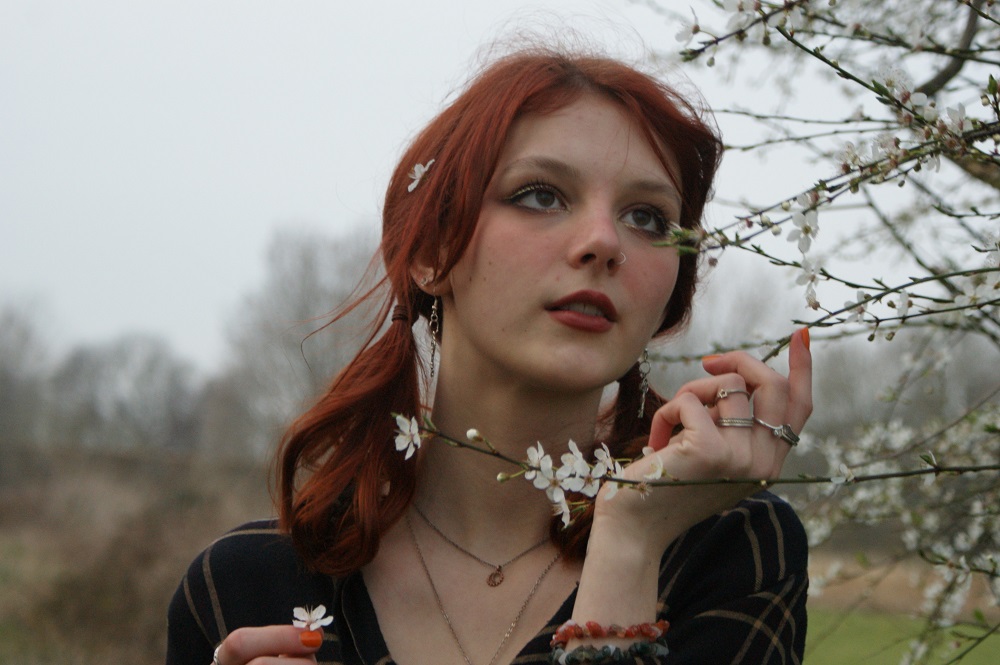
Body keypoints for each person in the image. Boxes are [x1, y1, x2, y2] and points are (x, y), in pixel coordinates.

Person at [167, 45, 812, 665]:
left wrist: (631, 542)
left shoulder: (730, 553)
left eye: (647, 217)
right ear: (429, 250)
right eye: (540, 195)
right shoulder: (245, 590)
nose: (603, 242)